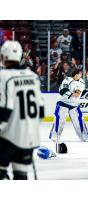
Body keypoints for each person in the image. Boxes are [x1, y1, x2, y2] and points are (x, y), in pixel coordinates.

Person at [0, 41, 44, 180]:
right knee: (21, 175)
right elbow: (41, 112)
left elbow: (5, 110)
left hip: (9, 138)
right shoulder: (33, 76)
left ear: (3, 57)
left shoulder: (3, 76)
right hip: (29, 138)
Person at [49, 69, 88, 153]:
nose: (81, 75)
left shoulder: (82, 82)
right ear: (75, 74)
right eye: (80, 74)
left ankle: (84, 136)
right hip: (63, 102)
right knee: (60, 120)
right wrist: (72, 94)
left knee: (79, 121)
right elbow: (62, 90)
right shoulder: (67, 80)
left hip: (74, 105)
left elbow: (82, 92)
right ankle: (55, 137)